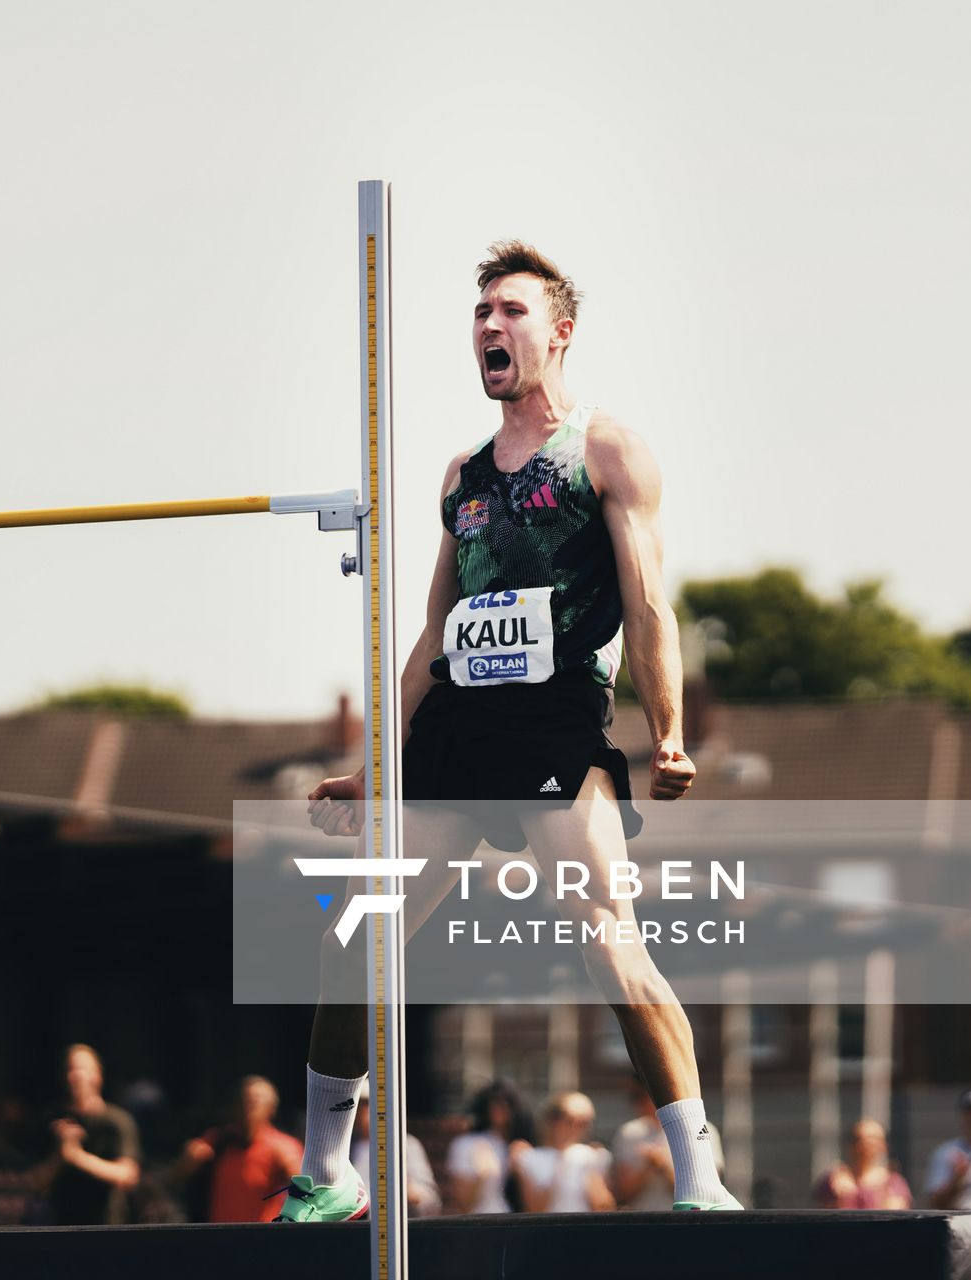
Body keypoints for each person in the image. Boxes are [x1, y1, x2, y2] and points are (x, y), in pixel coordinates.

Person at [290, 242, 738, 1220]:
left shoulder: (604, 449)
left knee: (608, 940)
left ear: (559, 331)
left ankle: (699, 1173)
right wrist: (376, 763)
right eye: (482, 313)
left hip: (553, 719)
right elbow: (429, 635)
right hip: (459, 722)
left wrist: (665, 729)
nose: (492, 328)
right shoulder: (462, 475)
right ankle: (327, 1166)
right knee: (352, 938)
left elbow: (648, 599)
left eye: (512, 312)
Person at [32, 1044, 140, 1225]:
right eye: (70, 1069)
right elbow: (37, 1184)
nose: (75, 1076)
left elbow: (127, 1176)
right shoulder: (53, 1119)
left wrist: (77, 1157)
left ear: (97, 1075)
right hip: (61, 1227)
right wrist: (60, 1154)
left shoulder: (117, 1121)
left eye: (81, 1069)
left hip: (107, 1226)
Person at [177, 1076, 303, 1222]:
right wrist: (189, 1158)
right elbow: (178, 1174)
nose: (247, 1106)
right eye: (243, 1100)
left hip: (263, 1235)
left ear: (271, 1108)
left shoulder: (283, 1146)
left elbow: (304, 1186)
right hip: (220, 1234)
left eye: (255, 1101)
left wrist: (292, 1171)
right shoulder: (219, 1139)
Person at [612, 1081, 724, 1210]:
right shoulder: (628, 1133)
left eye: (642, 1095)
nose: (637, 1102)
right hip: (643, 1220)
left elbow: (707, 1192)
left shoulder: (702, 1128)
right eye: (635, 1096)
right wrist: (647, 1168)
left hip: (688, 1219)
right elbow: (622, 1194)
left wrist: (663, 1166)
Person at [512, 1092, 615, 1213]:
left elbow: (604, 1207)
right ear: (552, 1120)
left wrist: (590, 1170)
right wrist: (562, 1163)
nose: (576, 1128)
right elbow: (535, 1209)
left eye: (584, 1123)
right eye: (570, 1121)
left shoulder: (592, 1155)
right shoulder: (528, 1157)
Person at [443, 1081, 531, 1215]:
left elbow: (533, 1206)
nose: (501, 1109)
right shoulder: (466, 1144)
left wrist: (522, 1172)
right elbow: (463, 1205)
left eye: (507, 1103)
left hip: (515, 1224)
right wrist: (484, 1173)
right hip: (480, 1223)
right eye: (496, 1102)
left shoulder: (521, 1146)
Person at [348, 1101, 442, 1218]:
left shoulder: (406, 1144)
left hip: (392, 1226)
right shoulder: (345, 1146)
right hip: (353, 1227)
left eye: (368, 1103)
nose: (364, 1111)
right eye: (359, 1105)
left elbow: (429, 1199)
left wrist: (409, 1190)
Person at [813, 1119, 911, 1209]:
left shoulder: (893, 1183)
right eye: (859, 1139)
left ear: (883, 1146)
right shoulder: (833, 1180)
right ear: (850, 1146)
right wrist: (837, 1198)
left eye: (873, 1139)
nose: (866, 1144)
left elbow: (898, 1213)